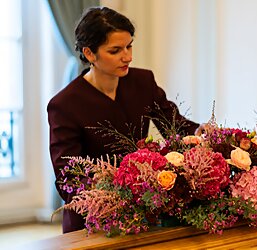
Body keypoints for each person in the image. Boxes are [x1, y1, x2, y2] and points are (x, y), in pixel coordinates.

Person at [47, 6, 200, 233]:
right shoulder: (64, 105)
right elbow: (69, 176)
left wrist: (203, 135)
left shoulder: (143, 81)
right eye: (115, 50)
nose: (127, 57)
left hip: (145, 210)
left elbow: (176, 126)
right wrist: (110, 197)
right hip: (93, 219)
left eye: (129, 46)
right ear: (90, 54)